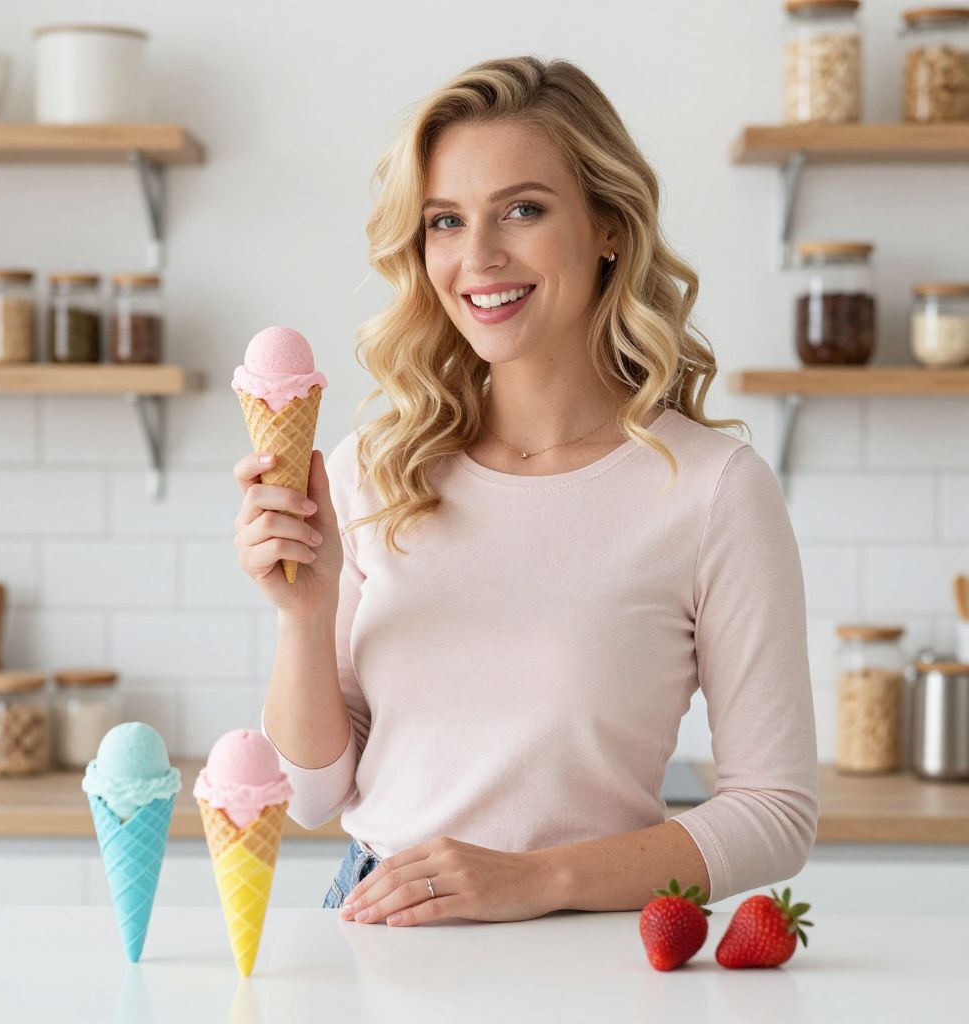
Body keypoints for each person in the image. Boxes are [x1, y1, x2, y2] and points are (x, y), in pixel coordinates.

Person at [232, 55, 819, 928]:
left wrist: (535, 879)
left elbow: (775, 812)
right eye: (444, 221)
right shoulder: (374, 470)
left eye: (522, 210)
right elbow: (317, 795)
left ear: (608, 225)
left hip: (587, 946)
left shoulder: (712, 490)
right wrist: (302, 618)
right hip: (379, 926)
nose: (478, 257)